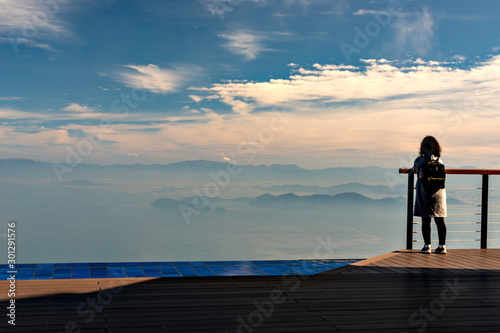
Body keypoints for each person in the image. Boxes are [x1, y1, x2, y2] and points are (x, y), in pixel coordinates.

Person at [412, 136, 447, 254]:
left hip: (425, 192)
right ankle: (442, 246)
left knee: (426, 220)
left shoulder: (419, 161)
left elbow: (414, 170)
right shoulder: (440, 161)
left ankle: (427, 246)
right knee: (440, 220)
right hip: (439, 193)